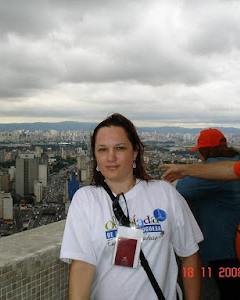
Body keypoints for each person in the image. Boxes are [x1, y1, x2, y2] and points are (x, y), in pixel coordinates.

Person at [60, 113, 204, 300]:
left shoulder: (164, 193)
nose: (111, 157)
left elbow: (189, 257)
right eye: (102, 150)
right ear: (95, 156)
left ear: (135, 152)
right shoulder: (86, 200)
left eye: (120, 148)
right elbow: (82, 267)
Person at [159, 89, 240, 300]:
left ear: (204, 152)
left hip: (237, 262)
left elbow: (184, 189)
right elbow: (228, 170)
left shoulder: (208, 179)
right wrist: (185, 169)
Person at [176, 128, 240, 300]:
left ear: (205, 151)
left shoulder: (214, 172)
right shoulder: (238, 164)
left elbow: (182, 188)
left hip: (223, 251)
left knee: (228, 292)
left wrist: (193, 170)